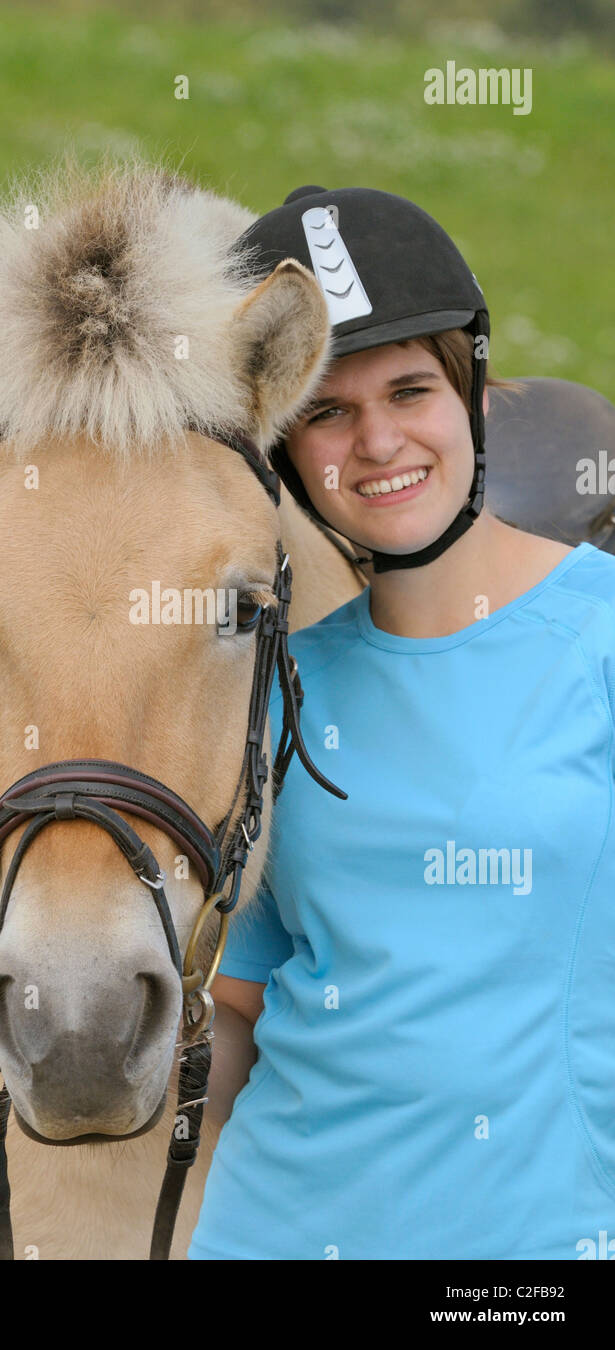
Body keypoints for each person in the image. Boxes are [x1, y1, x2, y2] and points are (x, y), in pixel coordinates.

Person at [187, 186, 615, 1261]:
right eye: (328, 410)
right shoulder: (278, 693)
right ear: (284, 450)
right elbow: (238, 1005)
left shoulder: (599, 638)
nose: (377, 441)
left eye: (409, 389)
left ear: (470, 391)